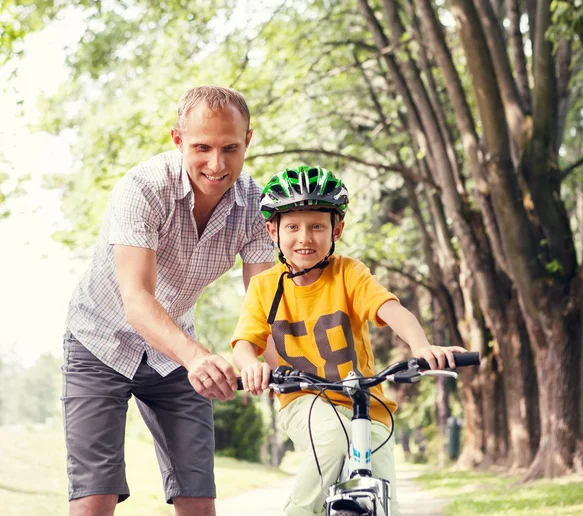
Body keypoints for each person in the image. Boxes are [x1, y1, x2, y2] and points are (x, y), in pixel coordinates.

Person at [61, 85, 274, 516]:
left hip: (172, 353)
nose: (216, 165)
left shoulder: (255, 204)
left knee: (197, 496)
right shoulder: (143, 189)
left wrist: (291, 370)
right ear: (178, 140)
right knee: (93, 497)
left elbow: (263, 305)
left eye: (230, 148)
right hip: (98, 343)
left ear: (248, 140)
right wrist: (197, 358)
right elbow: (136, 299)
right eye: (202, 148)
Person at [231, 166, 466, 516]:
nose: (304, 238)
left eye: (317, 226)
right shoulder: (266, 286)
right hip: (305, 400)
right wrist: (251, 367)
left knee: (384, 499)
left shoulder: (349, 273)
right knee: (331, 440)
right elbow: (244, 342)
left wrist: (421, 346)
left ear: (336, 229)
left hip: (368, 407)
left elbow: (391, 309)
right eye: (292, 226)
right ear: (273, 231)